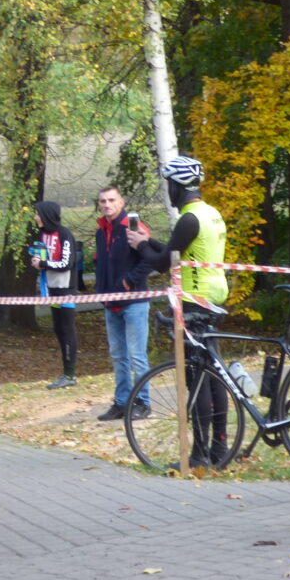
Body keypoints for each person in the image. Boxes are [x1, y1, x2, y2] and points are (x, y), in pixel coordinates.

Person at [130, 156, 229, 462]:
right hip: (214, 295)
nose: (168, 191)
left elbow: (162, 263)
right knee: (213, 374)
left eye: (168, 185)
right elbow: (180, 249)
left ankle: (199, 454)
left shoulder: (189, 218)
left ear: (176, 185)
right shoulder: (209, 213)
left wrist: (140, 246)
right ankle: (219, 448)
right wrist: (151, 241)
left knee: (196, 378)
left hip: (193, 300)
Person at [94, 185, 153, 421]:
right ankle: (121, 402)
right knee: (118, 355)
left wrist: (130, 281)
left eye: (111, 200)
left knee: (137, 355)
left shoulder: (132, 226)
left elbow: (150, 259)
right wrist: (100, 291)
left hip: (135, 301)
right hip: (111, 303)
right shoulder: (101, 231)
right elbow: (101, 264)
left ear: (122, 202)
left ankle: (144, 402)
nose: (107, 205)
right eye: (102, 201)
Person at [32, 201, 79, 389]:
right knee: (58, 328)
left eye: (38, 214)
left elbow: (66, 263)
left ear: (47, 215)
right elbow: (43, 255)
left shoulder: (64, 234)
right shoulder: (43, 234)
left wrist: (44, 264)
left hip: (65, 289)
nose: (35, 217)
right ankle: (66, 372)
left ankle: (70, 374)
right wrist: (36, 260)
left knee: (67, 328)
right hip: (51, 288)